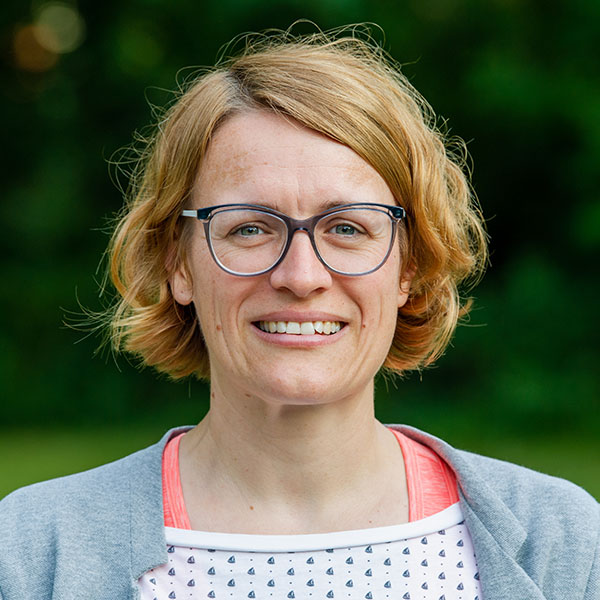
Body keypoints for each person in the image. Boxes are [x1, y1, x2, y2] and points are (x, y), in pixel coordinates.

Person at [0, 28, 597, 600]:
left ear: (408, 266)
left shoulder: (562, 543)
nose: (301, 275)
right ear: (177, 264)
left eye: (347, 227)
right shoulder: (30, 552)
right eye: (250, 228)